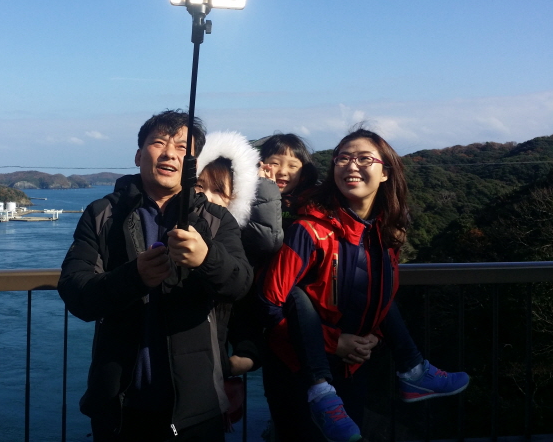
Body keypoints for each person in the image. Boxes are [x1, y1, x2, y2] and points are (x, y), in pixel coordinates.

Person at [258, 128, 470, 442]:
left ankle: (414, 371)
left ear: (385, 173)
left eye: (363, 158)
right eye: (343, 158)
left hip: (353, 366)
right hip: (298, 372)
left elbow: (376, 294)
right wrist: (335, 343)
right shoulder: (310, 230)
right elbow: (270, 303)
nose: (351, 165)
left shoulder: (384, 231)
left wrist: (372, 337)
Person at [58, 110, 253, 442]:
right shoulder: (102, 214)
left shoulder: (216, 219)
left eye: (182, 148)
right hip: (119, 403)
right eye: (159, 143)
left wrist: (207, 258)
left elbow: (241, 283)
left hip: (197, 405)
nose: (170, 154)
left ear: (193, 164)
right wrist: (133, 277)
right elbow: (76, 292)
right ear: (138, 155)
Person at [195, 131, 283, 380]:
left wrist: (244, 357)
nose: (206, 197)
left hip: (212, 370)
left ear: (235, 199)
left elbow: (245, 314)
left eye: (218, 190)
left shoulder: (240, 250)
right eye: (199, 186)